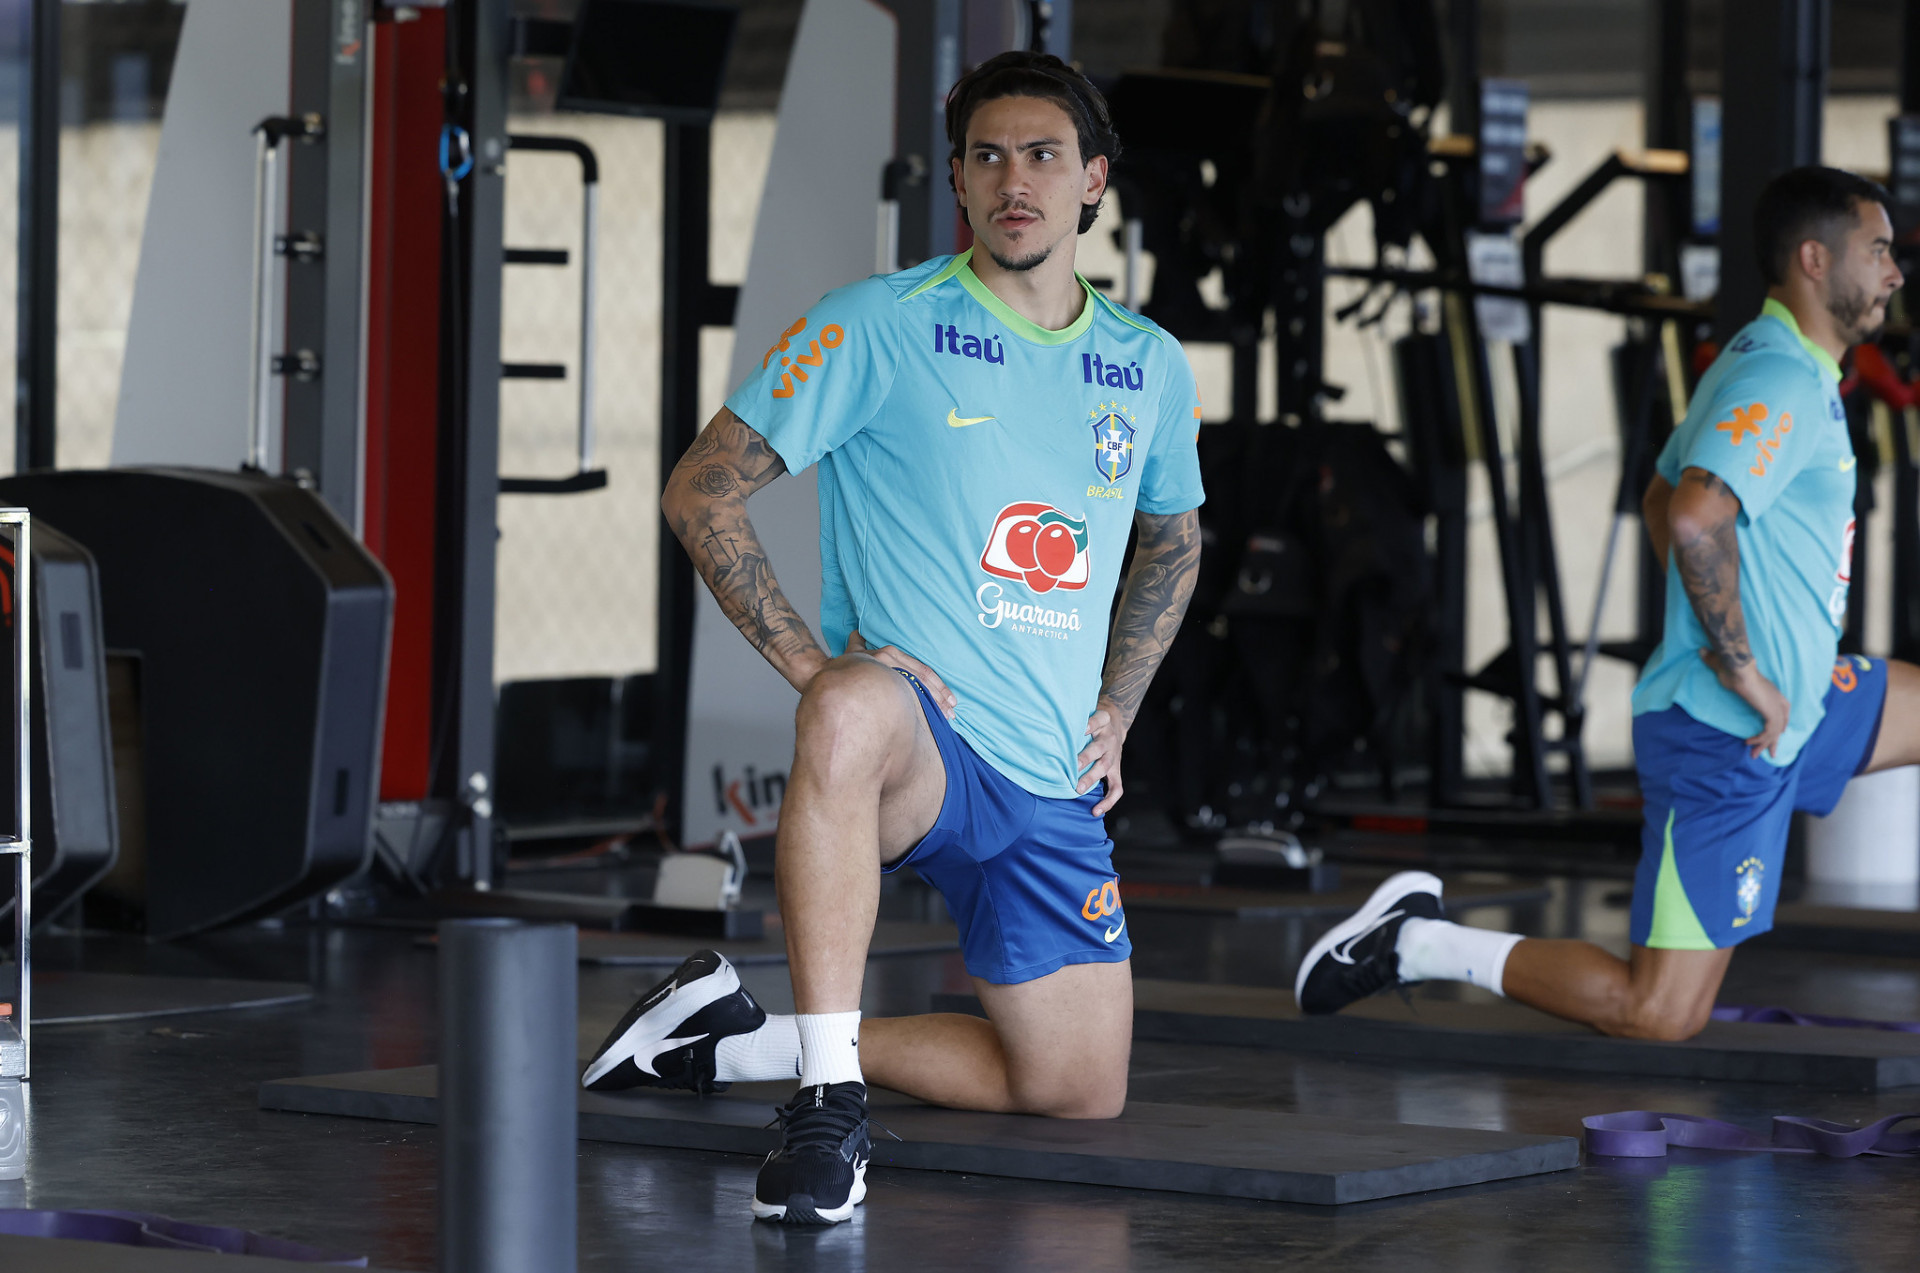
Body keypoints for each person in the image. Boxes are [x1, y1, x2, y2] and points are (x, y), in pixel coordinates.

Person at [582, 51, 1205, 1225]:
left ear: (1092, 181)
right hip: (924, 744)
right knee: (851, 702)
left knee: (1077, 1089)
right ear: (957, 181)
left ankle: (731, 1039)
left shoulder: (1148, 363)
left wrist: (1118, 704)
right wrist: (817, 666)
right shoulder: (878, 322)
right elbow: (702, 489)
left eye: (1042, 156)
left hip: (1050, 771)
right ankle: (826, 1104)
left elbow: (1173, 538)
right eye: (987, 157)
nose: (1013, 181)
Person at [1296, 165, 1920, 1041]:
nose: (1895, 271)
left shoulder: (1774, 359)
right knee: (1658, 1010)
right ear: (1815, 259)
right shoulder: (1778, 377)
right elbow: (1695, 515)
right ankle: (1415, 942)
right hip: (1734, 732)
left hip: (1799, 704)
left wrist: (1737, 639)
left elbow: (1664, 496)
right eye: (1878, 250)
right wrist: (1741, 665)